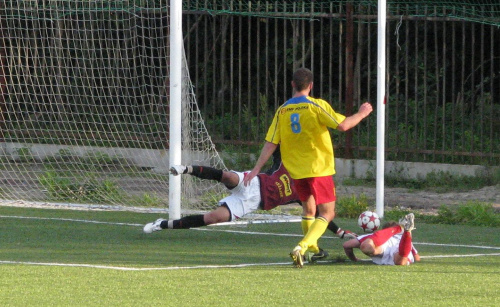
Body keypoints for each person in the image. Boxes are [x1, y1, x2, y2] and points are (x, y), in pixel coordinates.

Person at [243, 67, 373, 267]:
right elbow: (344, 125)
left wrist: (256, 169)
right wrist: (362, 113)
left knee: (308, 209)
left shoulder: (283, 110)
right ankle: (303, 247)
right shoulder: (315, 106)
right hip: (318, 168)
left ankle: (312, 251)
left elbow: (271, 142)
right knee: (327, 213)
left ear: (293, 84)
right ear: (311, 85)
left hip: (295, 169)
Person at [143, 163, 355, 262]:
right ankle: (185, 169)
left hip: (251, 204)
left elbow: (321, 216)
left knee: (212, 218)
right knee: (227, 176)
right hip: (251, 182)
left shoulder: (304, 192)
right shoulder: (289, 162)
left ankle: (162, 224)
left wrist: (340, 233)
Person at [343, 213, 420, 265]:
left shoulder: (374, 235)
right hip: (399, 246)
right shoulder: (402, 238)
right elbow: (417, 257)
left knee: (367, 246)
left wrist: (355, 260)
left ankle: (400, 229)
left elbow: (347, 245)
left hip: (386, 245)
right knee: (401, 260)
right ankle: (406, 230)